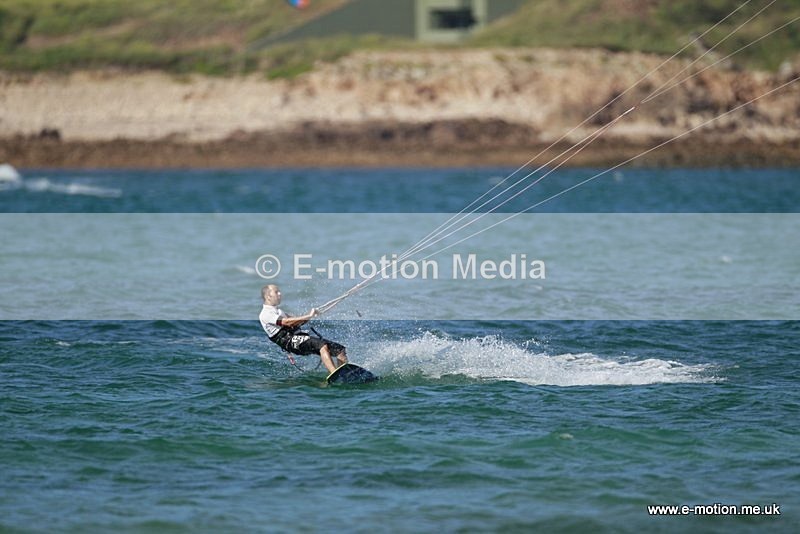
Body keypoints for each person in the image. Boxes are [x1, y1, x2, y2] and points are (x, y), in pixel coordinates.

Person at [259, 284, 347, 374]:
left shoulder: (278, 311)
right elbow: (287, 322)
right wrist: (309, 315)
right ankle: (334, 374)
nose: (280, 293)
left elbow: (296, 322)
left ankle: (344, 374)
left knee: (340, 350)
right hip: (291, 342)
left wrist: (311, 315)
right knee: (321, 345)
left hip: (298, 337)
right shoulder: (266, 314)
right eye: (276, 292)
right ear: (268, 296)